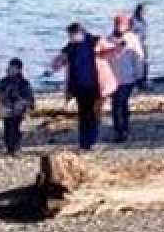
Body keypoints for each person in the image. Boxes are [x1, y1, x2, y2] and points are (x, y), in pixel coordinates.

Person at [51, 23, 119, 151]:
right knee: (83, 115)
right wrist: (55, 65)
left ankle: (91, 140)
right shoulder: (70, 48)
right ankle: (84, 143)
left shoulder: (95, 41)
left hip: (98, 85)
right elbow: (57, 63)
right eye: (69, 35)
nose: (71, 38)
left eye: (73, 35)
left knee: (95, 114)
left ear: (80, 32)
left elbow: (112, 51)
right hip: (79, 87)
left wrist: (118, 45)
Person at [107, 13, 145, 143]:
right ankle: (122, 129)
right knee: (119, 105)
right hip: (113, 79)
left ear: (127, 25)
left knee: (118, 104)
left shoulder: (132, 39)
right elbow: (106, 58)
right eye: (117, 23)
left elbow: (138, 58)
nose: (119, 26)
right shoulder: (109, 39)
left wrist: (140, 77)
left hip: (128, 78)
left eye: (121, 24)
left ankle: (121, 132)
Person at [0, 58, 35, 155]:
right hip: (6, 108)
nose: (10, 69)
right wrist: (1, 107)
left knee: (15, 127)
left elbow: (29, 98)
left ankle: (15, 147)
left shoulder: (24, 83)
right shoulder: (3, 81)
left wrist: (26, 109)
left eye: (13, 68)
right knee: (7, 128)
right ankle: (9, 147)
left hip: (18, 109)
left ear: (19, 70)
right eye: (10, 67)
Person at [131, 2, 149, 89]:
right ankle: (138, 82)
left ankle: (143, 81)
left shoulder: (143, 20)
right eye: (141, 10)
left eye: (144, 11)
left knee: (145, 62)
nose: (143, 12)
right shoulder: (133, 20)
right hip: (135, 43)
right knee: (137, 63)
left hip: (142, 42)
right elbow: (131, 32)